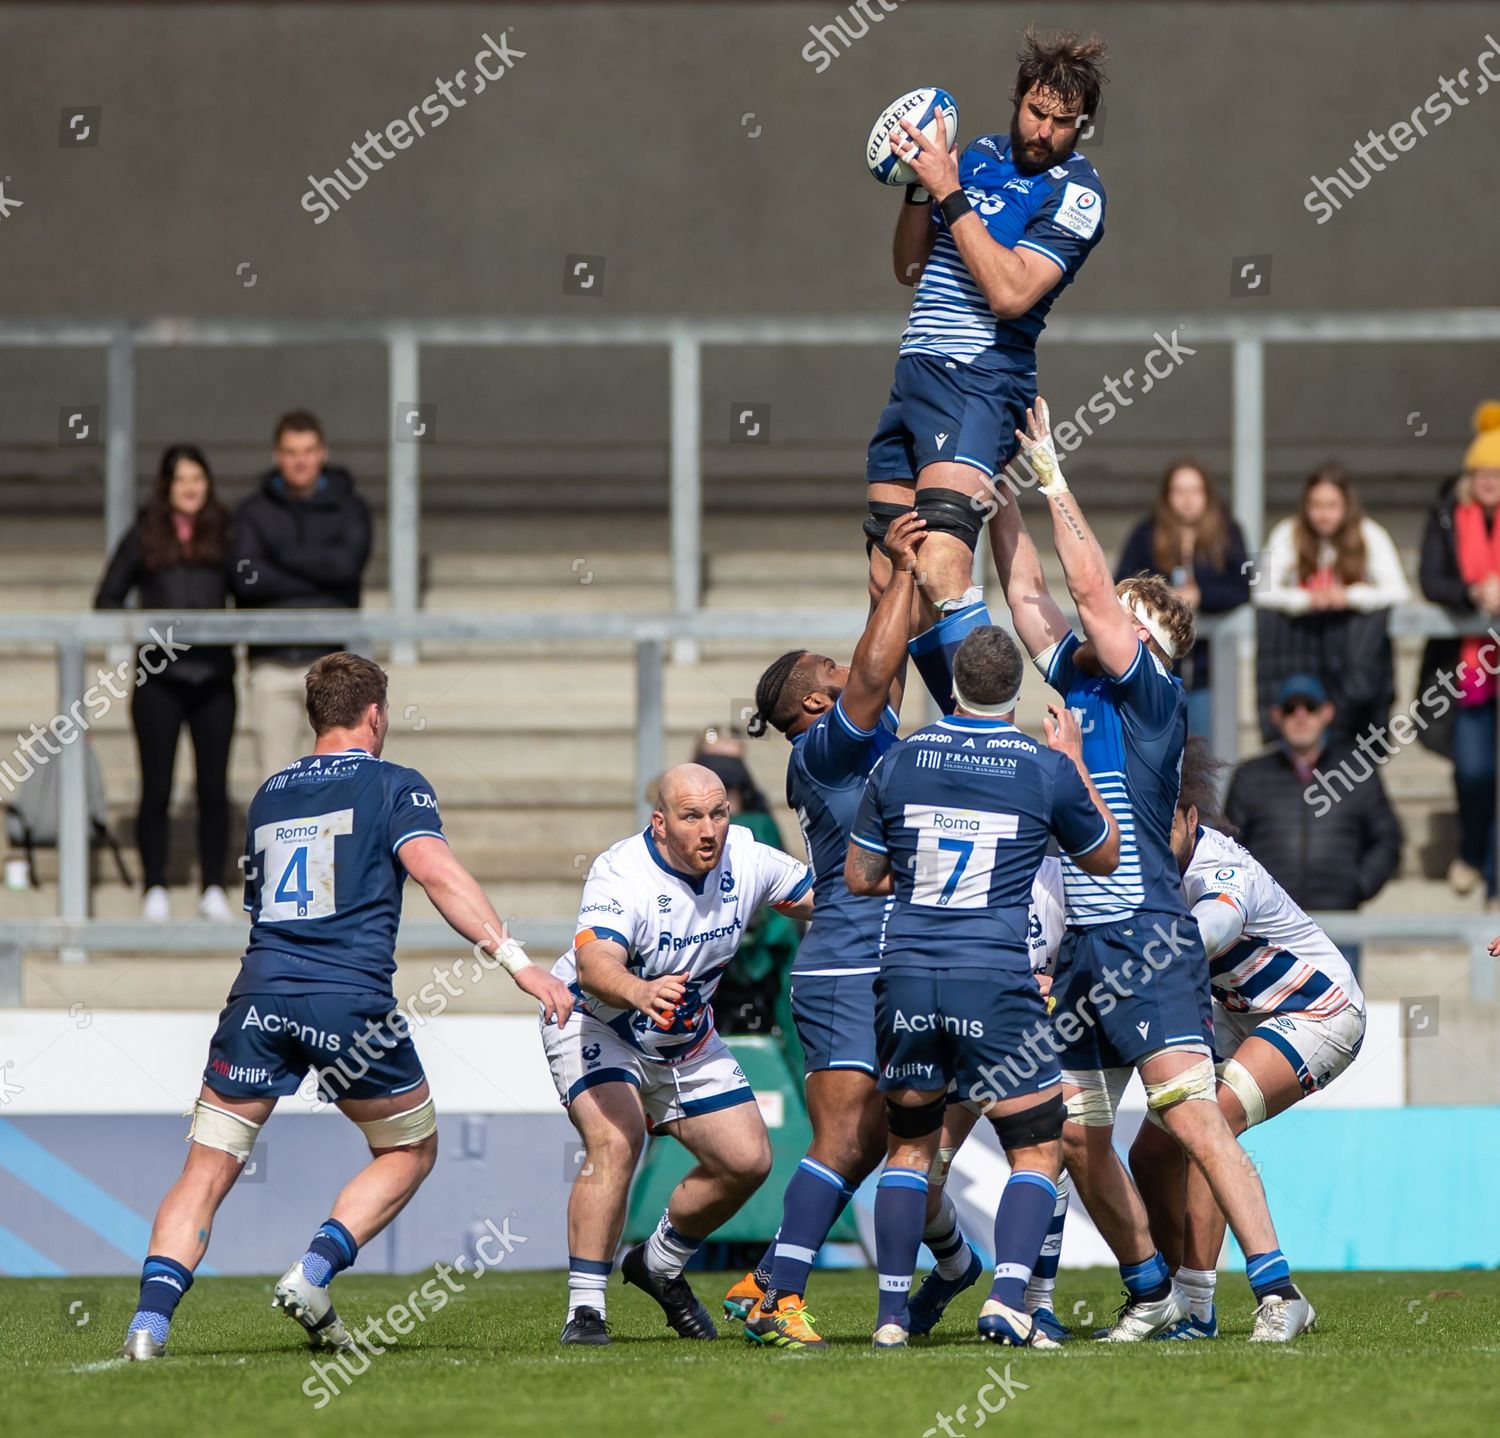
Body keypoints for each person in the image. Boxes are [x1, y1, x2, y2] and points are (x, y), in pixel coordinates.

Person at [120, 653, 572, 1360]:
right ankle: (314, 1272)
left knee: (205, 1171)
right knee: (410, 1148)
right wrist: (517, 963)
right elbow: (438, 874)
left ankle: (148, 1326)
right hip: (348, 1002)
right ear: (375, 715)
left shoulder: (270, 793)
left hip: (259, 997)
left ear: (314, 717)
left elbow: (259, 902)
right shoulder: (395, 784)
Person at [989, 397, 1315, 1342]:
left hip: (1143, 929)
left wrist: (1050, 473)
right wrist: (995, 494)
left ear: (1157, 640)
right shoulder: (1085, 674)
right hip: (1088, 940)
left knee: (1196, 1121)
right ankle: (1152, 1292)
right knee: (1080, 1135)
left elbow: (1089, 594)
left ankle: (1278, 1291)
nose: (1106, 618)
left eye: (1128, 615)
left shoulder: (1151, 687)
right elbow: (1025, 597)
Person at [726, 514, 972, 1350]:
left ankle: (785, 1277)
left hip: (886, 956)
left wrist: (890, 558)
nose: (851, 663)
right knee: (849, 1139)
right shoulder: (826, 748)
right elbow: (873, 663)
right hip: (844, 965)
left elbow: (884, 656)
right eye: (831, 668)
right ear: (813, 700)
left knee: (881, 1139)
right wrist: (906, 570)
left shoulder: (862, 739)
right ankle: (778, 1291)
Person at [844, 626, 1119, 1349]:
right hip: (993, 977)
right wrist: (1074, 761)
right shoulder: (1041, 766)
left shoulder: (899, 761)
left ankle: (892, 1319)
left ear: (957, 684)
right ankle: (1007, 1298)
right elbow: (1104, 857)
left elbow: (859, 878)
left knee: (909, 1150)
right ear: (1015, 693)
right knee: (1036, 1149)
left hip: (904, 972)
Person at [541, 764, 815, 1347]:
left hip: (682, 1037)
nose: (710, 829)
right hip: (596, 1020)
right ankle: (586, 1310)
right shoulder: (622, 872)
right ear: (660, 824)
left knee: (748, 1160)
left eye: (719, 813)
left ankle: (658, 1262)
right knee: (616, 1140)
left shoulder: (747, 855)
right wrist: (640, 990)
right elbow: (594, 966)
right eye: (692, 817)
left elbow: (824, 900)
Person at [863, 27, 1108, 646]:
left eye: (1063, 122)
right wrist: (922, 185)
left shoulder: (1078, 193)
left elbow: (1009, 294)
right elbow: (908, 268)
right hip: (915, 371)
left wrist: (948, 189)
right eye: (1035, 111)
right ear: (1017, 98)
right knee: (889, 582)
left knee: (943, 564)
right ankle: (893, 741)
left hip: (978, 381)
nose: (1043, 131)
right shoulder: (975, 155)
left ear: (1082, 126)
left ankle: (978, 731)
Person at [1130, 740, 1366, 1339]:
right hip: (1240, 1014)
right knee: (1150, 1153)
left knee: (1213, 1120)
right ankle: (1167, 1296)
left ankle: (1206, 1305)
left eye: (1163, 826)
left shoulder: (1220, 865)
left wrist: (1162, 948)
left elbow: (1221, 920)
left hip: (1318, 1009)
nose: (1151, 844)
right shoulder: (1142, 870)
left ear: (1189, 819)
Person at [910, 856, 1070, 1343]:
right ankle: (957, 1264)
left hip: (1028, 1044)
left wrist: (1057, 987)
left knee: (1048, 1158)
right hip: (956, 1040)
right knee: (917, 1180)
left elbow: (1092, 958)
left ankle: (1033, 1303)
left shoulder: (1058, 876)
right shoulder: (943, 866)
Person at [94, 444, 237, 922]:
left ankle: (213, 886)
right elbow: (107, 597)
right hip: (160, 681)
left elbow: (252, 590)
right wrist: (145, 633)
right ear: (166, 486)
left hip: (214, 678)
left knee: (213, 788)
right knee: (157, 786)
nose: (191, 488)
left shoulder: (226, 532)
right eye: (181, 480)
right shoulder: (145, 534)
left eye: (198, 478)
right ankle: (155, 884)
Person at [232, 411, 372, 780]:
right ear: (277, 455)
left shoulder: (350, 507)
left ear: (323, 453)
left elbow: (346, 568)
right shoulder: (252, 512)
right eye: (291, 451)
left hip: (334, 668)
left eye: (308, 450)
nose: (300, 460)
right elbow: (248, 579)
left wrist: (279, 553)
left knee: (340, 783)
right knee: (276, 781)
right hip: (272, 664)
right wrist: (320, 573)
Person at [1252, 464, 1409, 746]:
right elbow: (1261, 590)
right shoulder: (1287, 531)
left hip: (1351, 655)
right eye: (1316, 505)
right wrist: (1306, 600)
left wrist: (1348, 596)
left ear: (1347, 506)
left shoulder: (1370, 532)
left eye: (1332, 505)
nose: (1324, 514)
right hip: (1299, 650)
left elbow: (1398, 590)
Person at [1225, 674, 1402, 913]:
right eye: (1291, 709)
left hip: (1338, 923)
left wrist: (1358, 885)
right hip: (1269, 926)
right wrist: (1254, 895)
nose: (1301, 716)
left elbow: (1387, 838)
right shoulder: (1250, 776)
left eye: (1310, 706)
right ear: (1276, 715)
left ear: (1327, 713)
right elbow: (1227, 847)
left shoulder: (1357, 773)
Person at [1417, 402, 1500, 900]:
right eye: (1481, 472)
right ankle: (1472, 849)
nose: (1488, 480)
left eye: (1497, 472)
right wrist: (1473, 594)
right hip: (1467, 668)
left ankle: (1494, 874)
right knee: (1473, 769)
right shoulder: (1448, 514)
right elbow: (1431, 578)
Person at [1115, 459, 1250, 737]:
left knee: (1203, 750)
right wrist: (1163, 601)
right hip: (1154, 665)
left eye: (1195, 490)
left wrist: (1202, 596)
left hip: (1208, 667)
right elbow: (1122, 585)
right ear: (1167, 495)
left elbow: (1243, 587)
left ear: (1207, 494)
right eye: (1179, 491)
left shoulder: (1227, 532)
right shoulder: (1146, 534)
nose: (1187, 499)